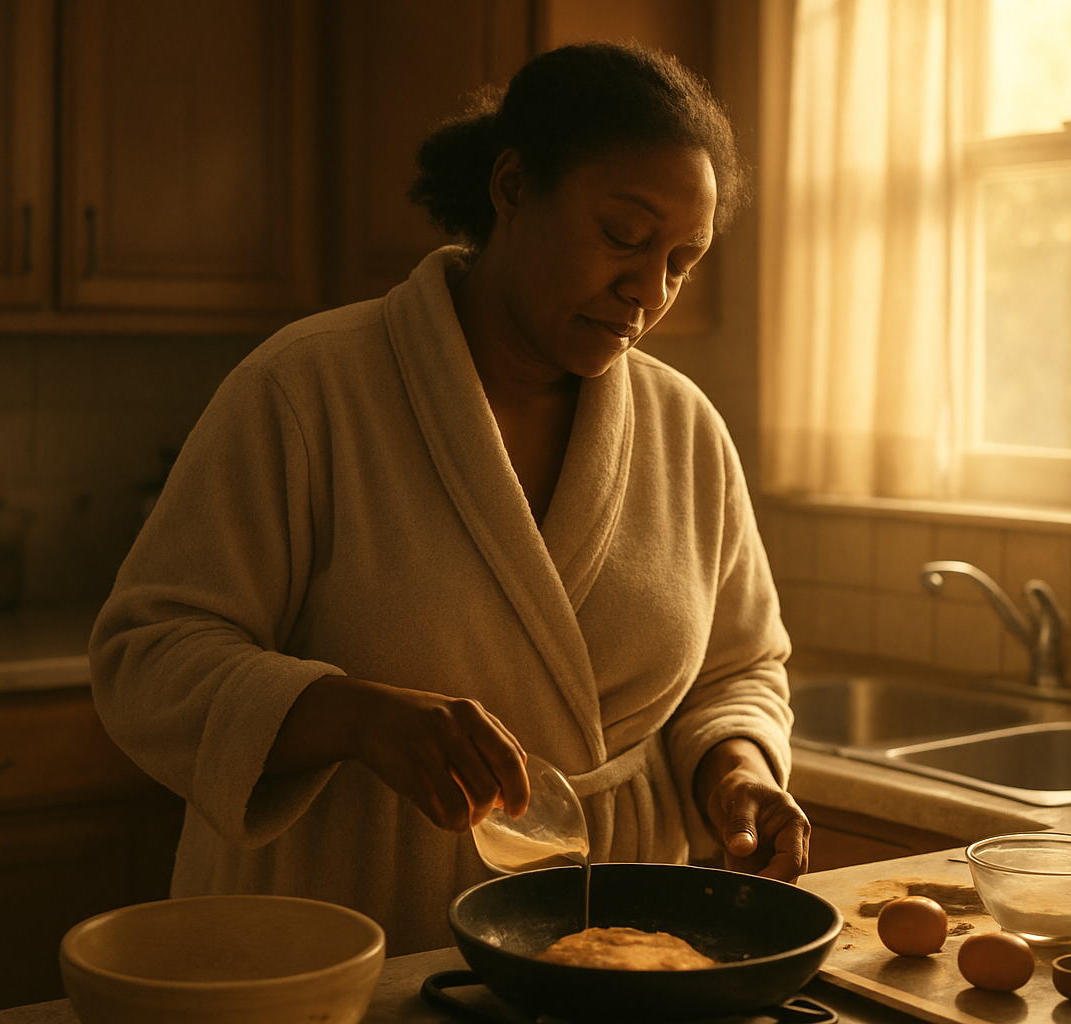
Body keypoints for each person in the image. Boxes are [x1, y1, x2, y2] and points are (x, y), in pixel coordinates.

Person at [89, 41, 808, 957]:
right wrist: (353, 716)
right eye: (624, 238)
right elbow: (145, 654)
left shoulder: (686, 431)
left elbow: (739, 668)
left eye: (682, 260)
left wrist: (736, 766)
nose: (648, 290)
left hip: (614, 947)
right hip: (346, 928)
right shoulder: (307, 389)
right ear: (512, 188)